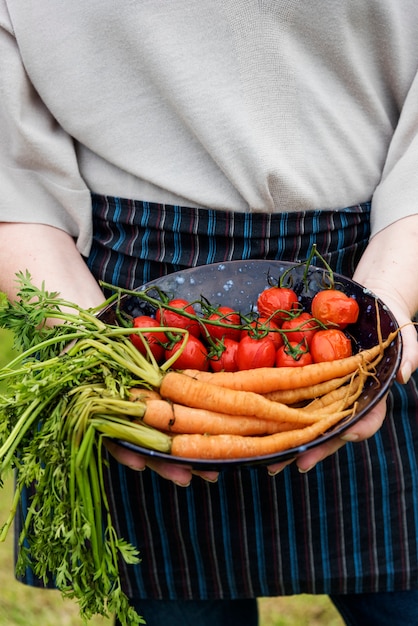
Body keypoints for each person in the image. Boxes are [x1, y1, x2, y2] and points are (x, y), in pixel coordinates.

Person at [1, 2, 418, 625]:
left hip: (369, 289)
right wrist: (84, 340)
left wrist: (388, 297)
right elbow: (15, 181)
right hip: (131, 323)